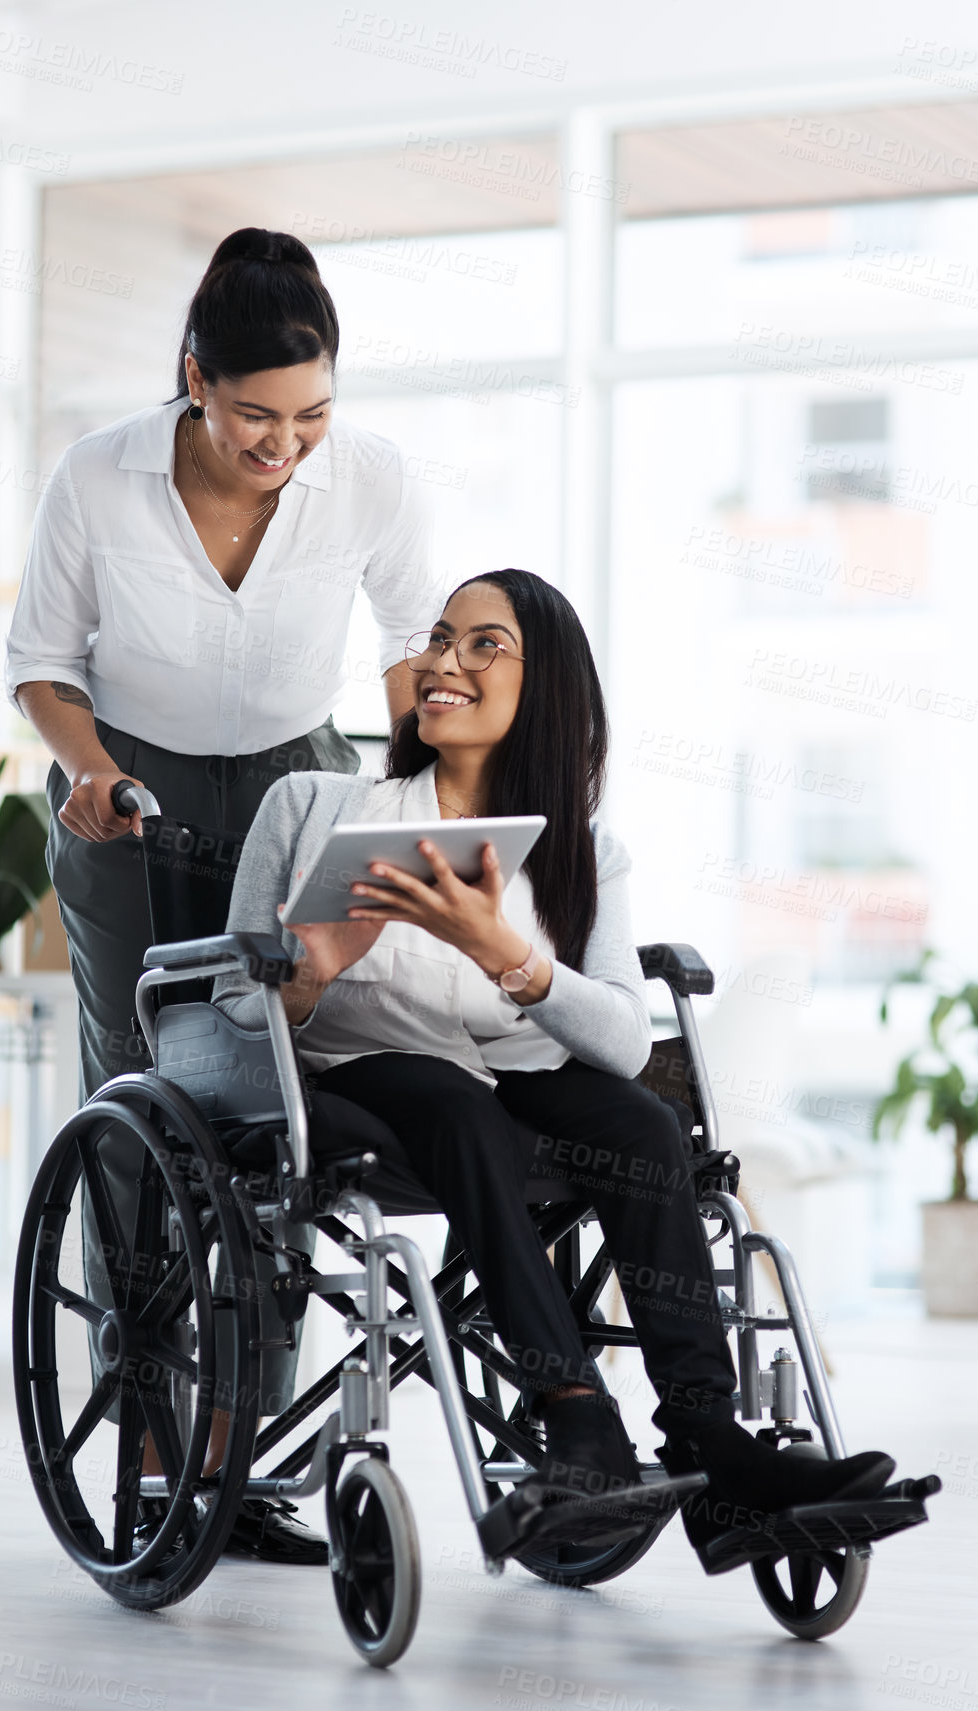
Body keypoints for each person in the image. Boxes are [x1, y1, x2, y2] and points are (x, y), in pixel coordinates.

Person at [215, 569, 896, 1571]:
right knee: (453, 1103)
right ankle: (577, 1420)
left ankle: (714, 1445)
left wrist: (510, 955)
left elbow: (621, 1039)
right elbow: (230, 1006)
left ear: (549, 687)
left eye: (483, 644)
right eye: (440, 639)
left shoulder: (584, 856)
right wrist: (316, 969)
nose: (446, 662)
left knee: (645, 1124)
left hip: (505, 1076)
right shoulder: (313, 805)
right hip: (348, 1077)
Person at [5, 226, 442, 1563]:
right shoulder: (99, 475)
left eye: (310, 413)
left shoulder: (366, 477)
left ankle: (231, 1447)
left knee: (271, 1101)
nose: (284, 443)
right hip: (126, 796)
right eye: (255, 414)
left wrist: (414, 788)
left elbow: (413, 646)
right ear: (193, 376)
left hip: (291, 785)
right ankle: (146, 1438)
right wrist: (87, 768)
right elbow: (40, 662)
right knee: (142, 1096)